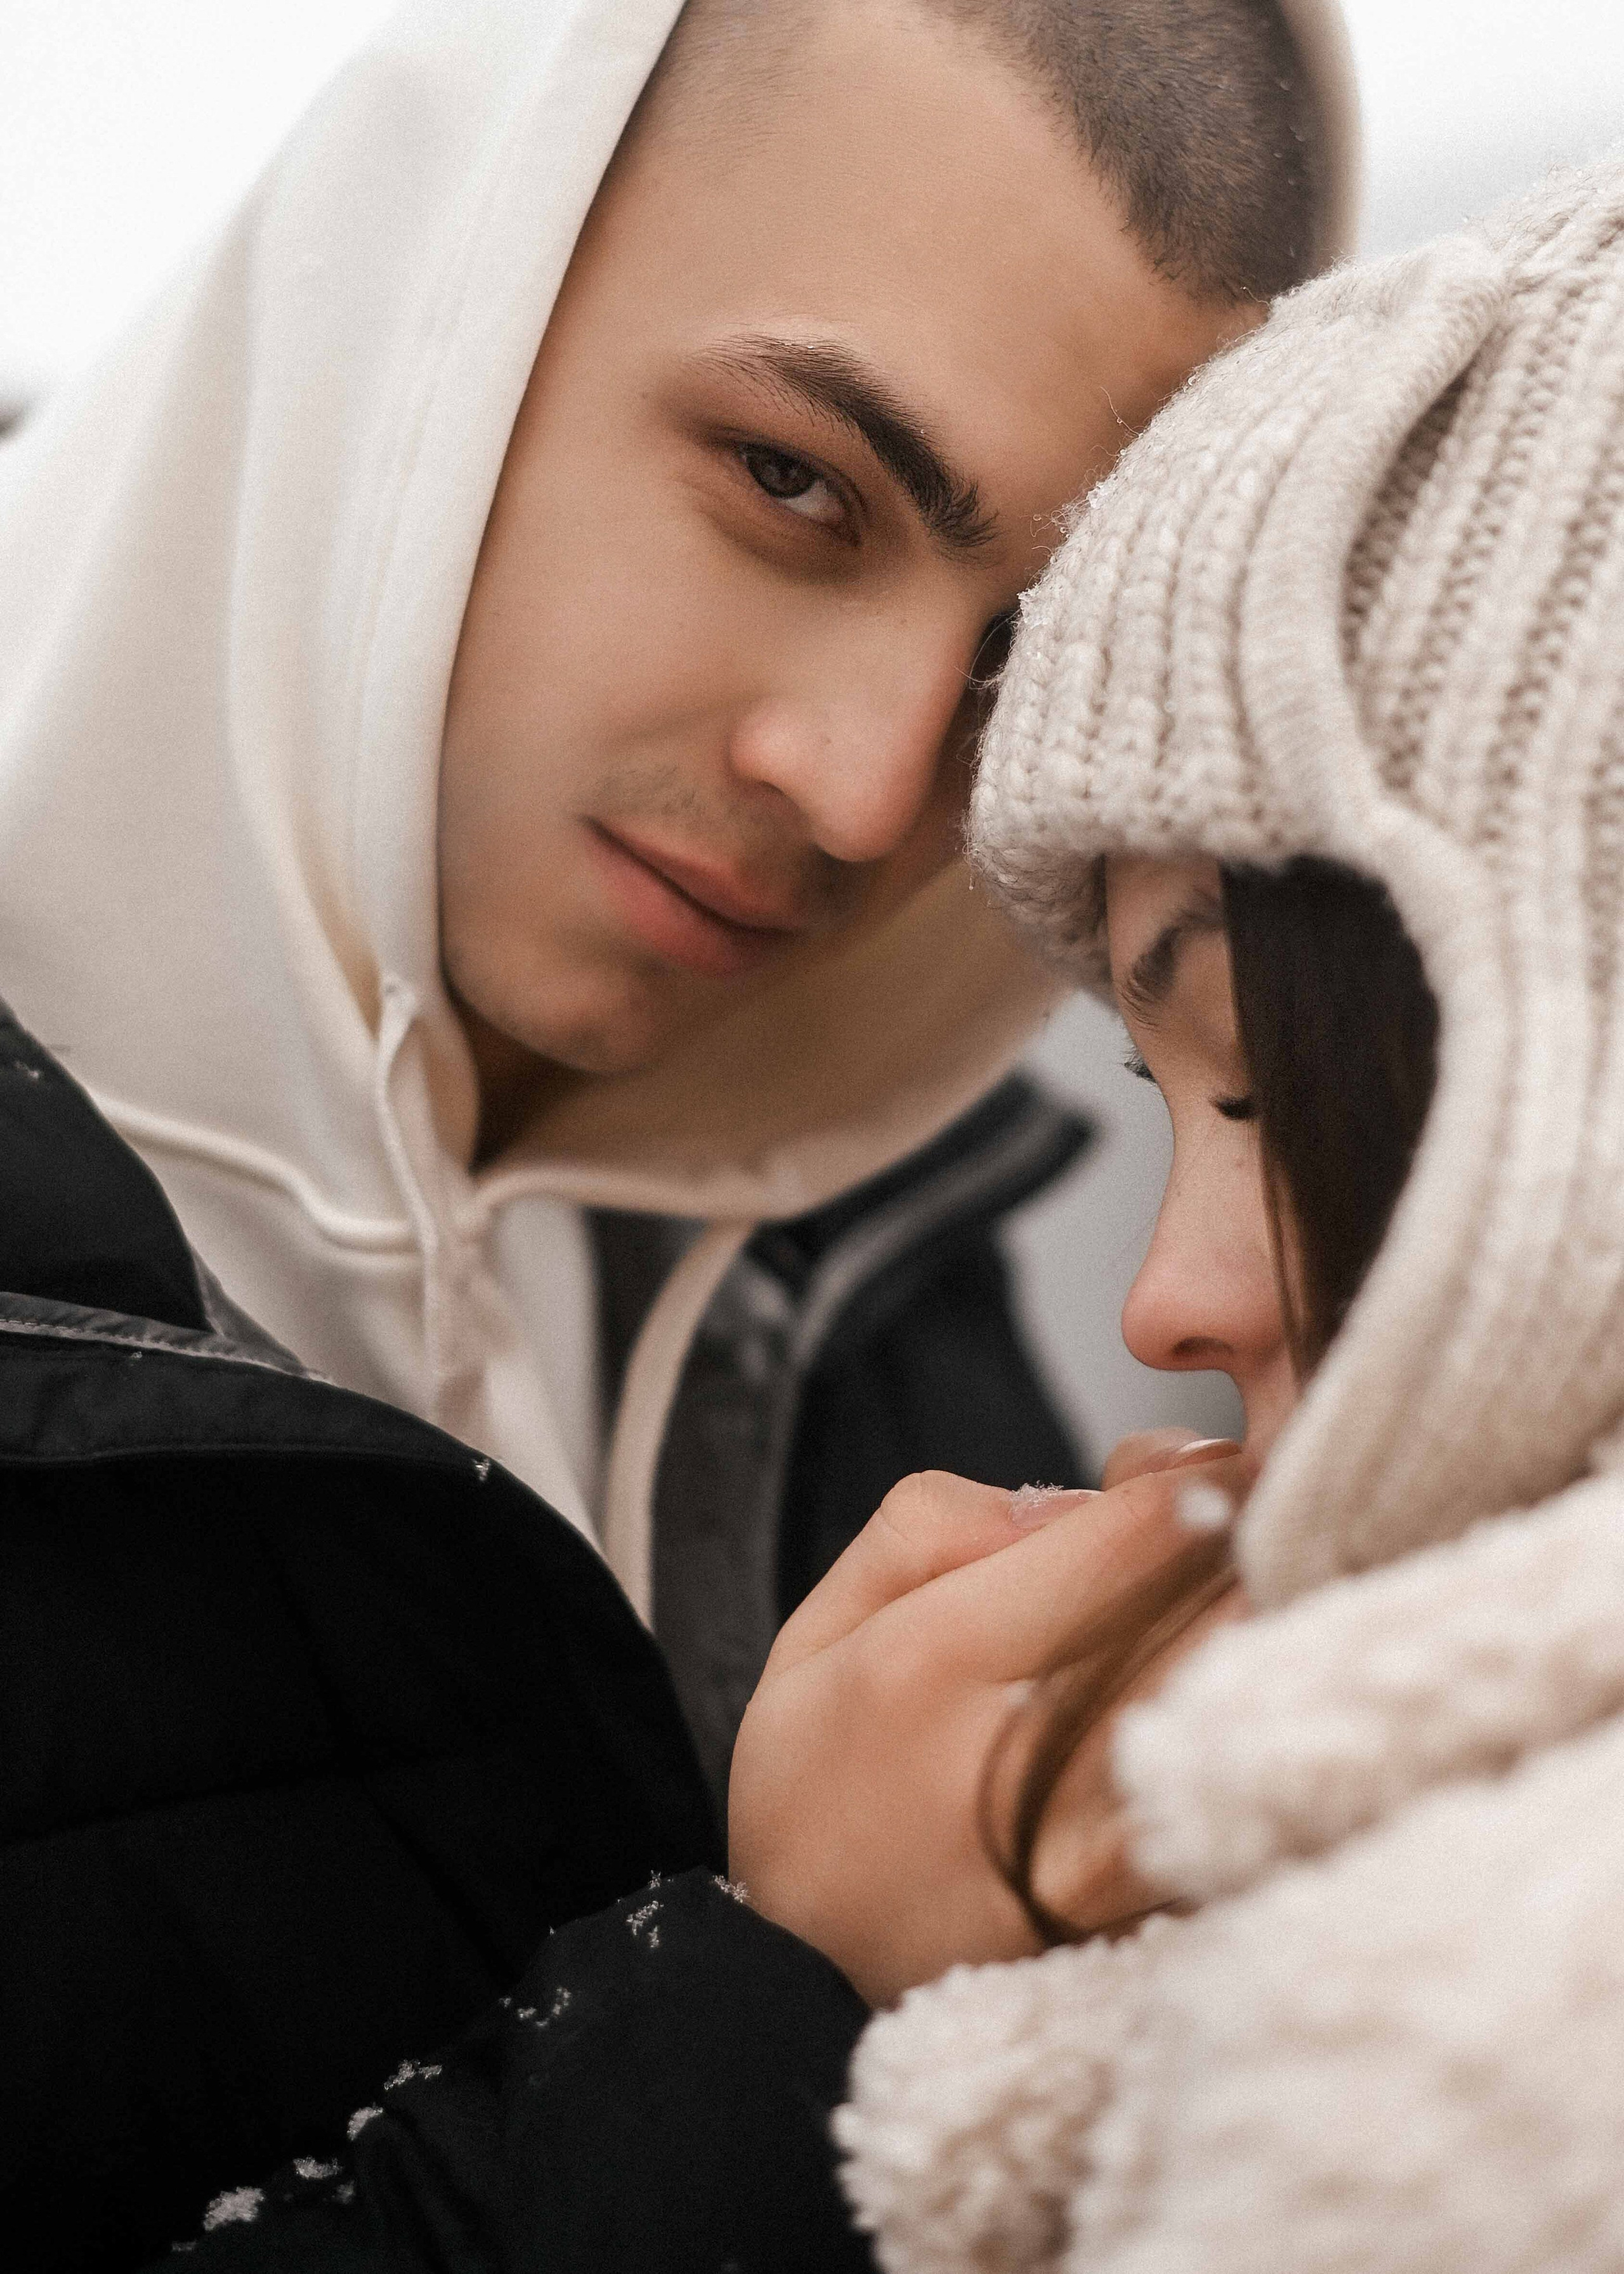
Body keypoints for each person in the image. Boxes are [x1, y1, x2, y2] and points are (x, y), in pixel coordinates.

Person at [0, 0, 1356, 1800]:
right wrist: (794, 1950)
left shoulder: (885, 1270)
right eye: (795, 484)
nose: (870, 792)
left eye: (1026, 655)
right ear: (438, 296)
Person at [819, 153, 1624, 2269]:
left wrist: (793, 1996)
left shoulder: (1477, 2073)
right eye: (1160, 1091)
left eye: (1261, 1082)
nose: (1162, 1306)